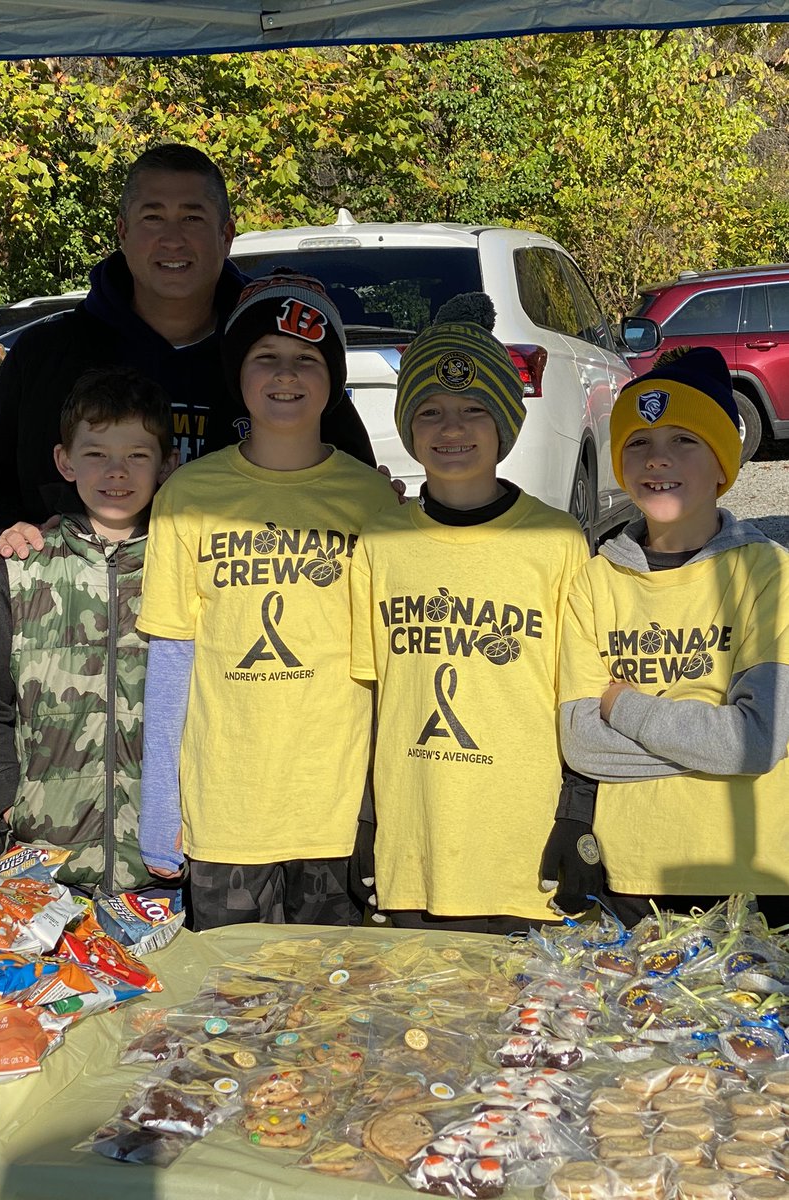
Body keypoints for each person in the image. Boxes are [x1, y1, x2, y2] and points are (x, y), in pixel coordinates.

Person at [0, 143, 374, 567]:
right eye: (152, 217)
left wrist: (372, 500)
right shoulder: (48, 353)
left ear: (226, 235)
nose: (172, 239)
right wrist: (0, 529)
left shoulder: (275, 358)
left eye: (192, 217)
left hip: (237, 610)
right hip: (81, 614)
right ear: (123, 232)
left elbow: (348, 472)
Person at [136, 271, 396, 930]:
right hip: (227, 812)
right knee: (230, 1014)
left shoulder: (370, 500)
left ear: (333, 378)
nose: (287, 375)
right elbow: (172, 660)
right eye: (265, 358)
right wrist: (162, 807)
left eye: (307, 359)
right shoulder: (189, 497)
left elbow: (387, 671)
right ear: (236, 372)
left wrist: (387, 802)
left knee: (333, 1016)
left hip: (336, 814)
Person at [349, 293, 588, 934]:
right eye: (430, 411)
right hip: (412, 849)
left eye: (474, 409)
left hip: (520, 851)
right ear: (407, 427)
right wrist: (366, 820)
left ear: (507, 422)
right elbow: (369, 696)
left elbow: (580, 695)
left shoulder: (557, 542)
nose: (451, 429)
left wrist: (578, 814)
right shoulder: (380, 541)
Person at [557, 347, 789, 927]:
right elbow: (581, 743)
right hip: (633, 872)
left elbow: (756, 741)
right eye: (638, 443)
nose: (657, 461)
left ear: (722, 464)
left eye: (684, 440)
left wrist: (622, 705)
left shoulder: (767, 573)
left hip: (750, 873)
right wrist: (709, 739)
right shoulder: (595, 581)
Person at [0, 366, 177, 895]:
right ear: (65, 461)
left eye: (137, 456)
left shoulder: (187, 566)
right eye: (96, 453)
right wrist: (9, 800)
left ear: (167, 464)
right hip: (45, 862)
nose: (116, 472)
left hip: (163, 865)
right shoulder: (23, 567)